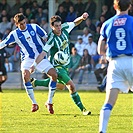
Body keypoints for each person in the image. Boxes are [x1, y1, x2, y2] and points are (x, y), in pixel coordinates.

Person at [31, 12, 91, 115]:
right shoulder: (51, 38)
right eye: (56, 26)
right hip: (57, 66)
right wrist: (34, 65)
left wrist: (82, 17)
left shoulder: (65, 28)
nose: (59, 28)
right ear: (52, 26)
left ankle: (36, 82)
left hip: (66, 64)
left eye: (59, 25)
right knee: (71, 86)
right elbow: (43, 53)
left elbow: (75, 23)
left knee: (61, 86)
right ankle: (83, 109)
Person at [0, 13, 57, 113]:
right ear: (16, 24)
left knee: (54, 75)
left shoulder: (34, 27)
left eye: (24, 23)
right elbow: (3, 43)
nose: (24, 25)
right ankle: (34, 103)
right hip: (27, 58)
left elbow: (46, 38)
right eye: (21, 24)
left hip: (41, 57)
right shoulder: (14, 34)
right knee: (25, 75)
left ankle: (49, 102)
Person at [98, 0, 133, 132]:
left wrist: (105, 56)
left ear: (114, 6)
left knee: (109, 102)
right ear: (129, 6)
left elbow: (100, 48)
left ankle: (102, 130)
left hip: (115, 64)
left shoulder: (107, 23)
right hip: (131, 61)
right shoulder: (132, 21)